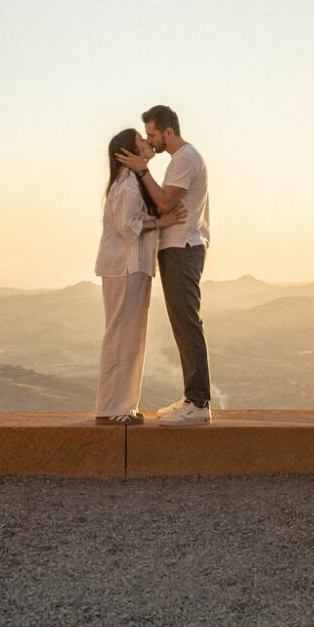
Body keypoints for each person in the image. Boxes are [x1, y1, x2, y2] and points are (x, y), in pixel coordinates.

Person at [115, 104, 213, 426]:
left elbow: (166, 202)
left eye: (153, 134)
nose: (149, 140)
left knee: (187, 322)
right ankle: (192, 398)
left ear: (168, 132)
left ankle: (198, 404)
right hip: (177, 248)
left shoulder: (184, 158)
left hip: (183, 248)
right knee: (181, 322)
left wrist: (143, 170)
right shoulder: (180, 160)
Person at [94, 128, 182, 424]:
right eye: (141, 141)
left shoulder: (131, 182)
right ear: (129, 153)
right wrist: (162, 222)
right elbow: (127, 227)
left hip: (131, 268)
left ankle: (118, 406)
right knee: (123, 337)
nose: (147, 143)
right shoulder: (127, 184)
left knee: (129, 337)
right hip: (125, 268)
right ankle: (116, 409)